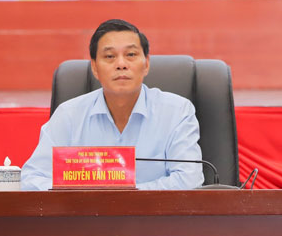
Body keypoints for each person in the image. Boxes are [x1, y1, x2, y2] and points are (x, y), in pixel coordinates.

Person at [21, 19, 204, 190]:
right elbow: (32, 179)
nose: (121, 64)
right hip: (86, 213)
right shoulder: (69, 115)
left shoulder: (177, 112)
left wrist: (122, 196)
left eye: (131, 55)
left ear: (146, 64)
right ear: (94, 68)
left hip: (155, 214)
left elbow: (190, 179)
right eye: (109, 56)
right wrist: (87, 197)